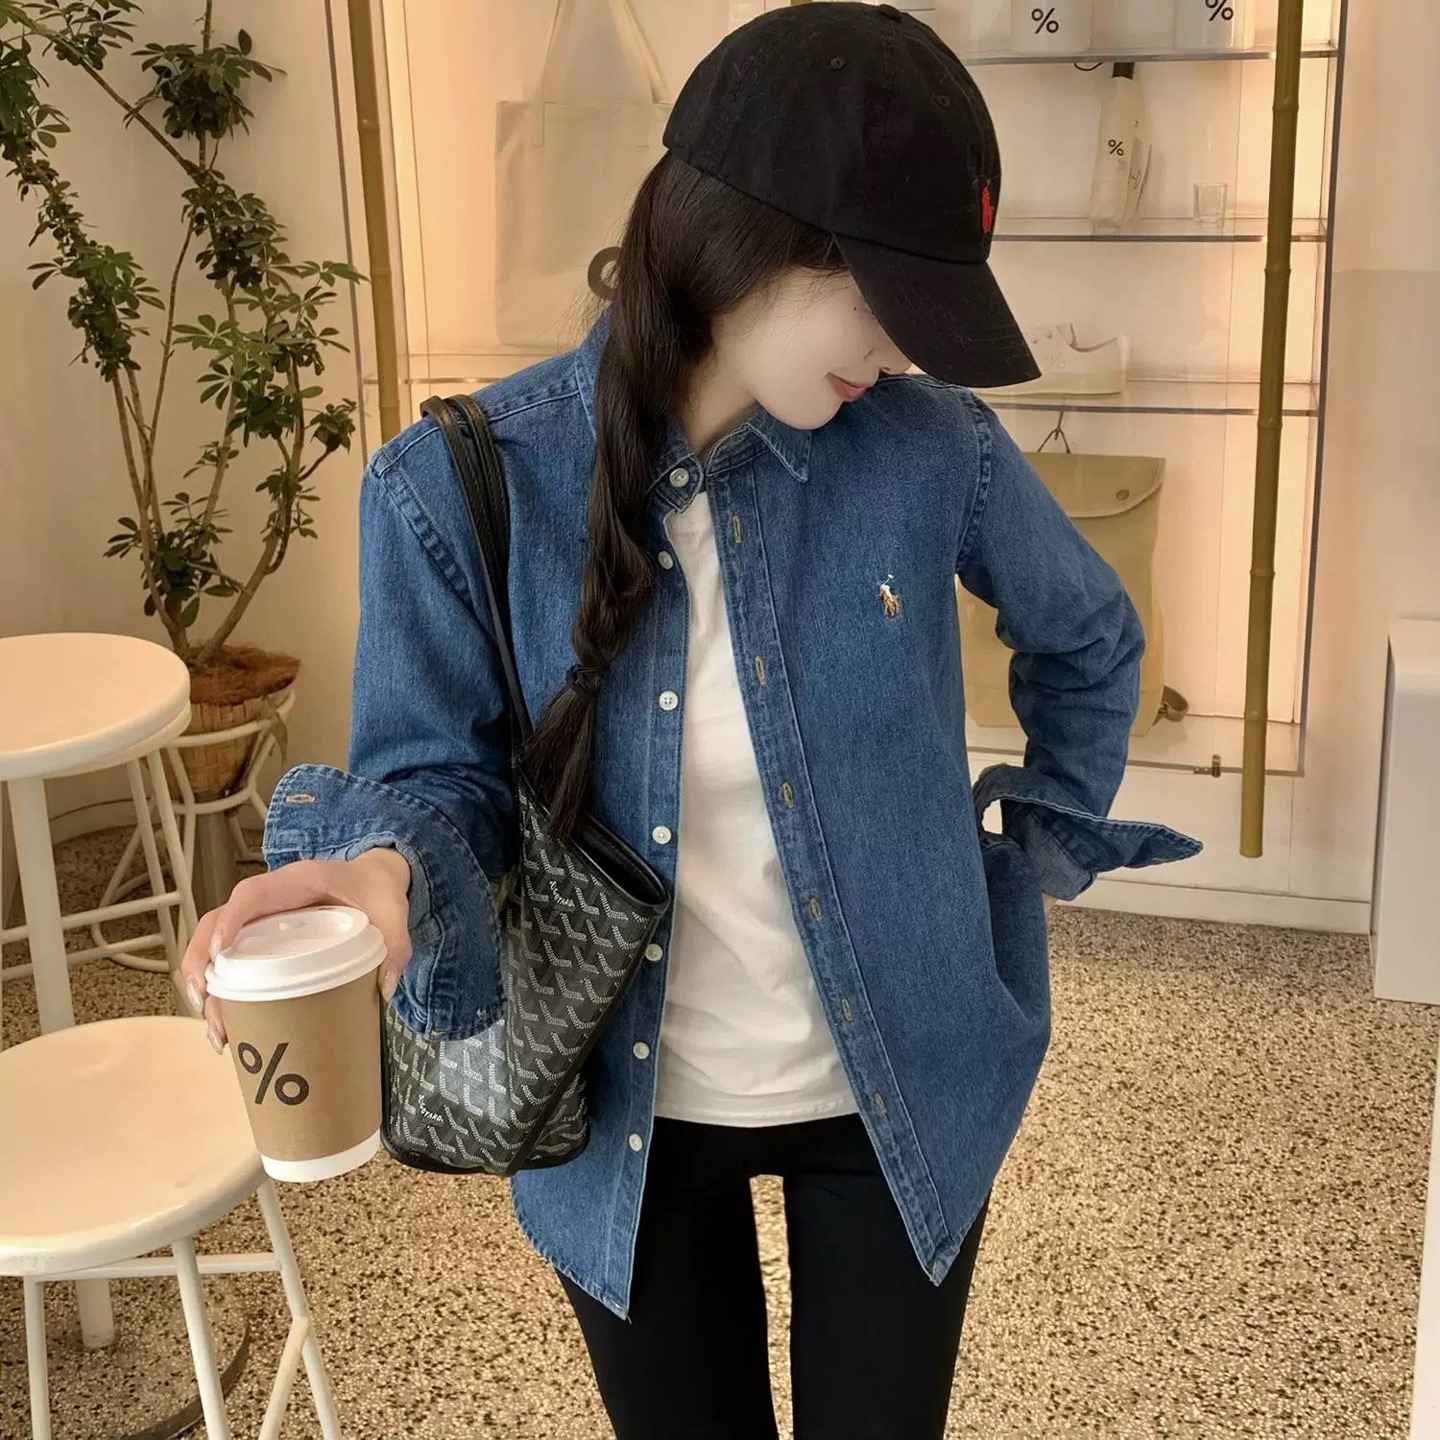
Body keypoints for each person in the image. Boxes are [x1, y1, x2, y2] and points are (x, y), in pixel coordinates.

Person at [182, 5, 1200, 1436]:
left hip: (898, 1085)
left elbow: (1089, 636)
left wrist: (1029, 851)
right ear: (749, 245)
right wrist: (380, 869)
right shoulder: (458, 482)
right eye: (882, 299)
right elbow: (437, 778)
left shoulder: (930, 454)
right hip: (624, 1115)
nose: (902, 354)